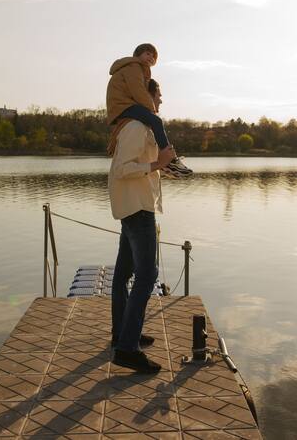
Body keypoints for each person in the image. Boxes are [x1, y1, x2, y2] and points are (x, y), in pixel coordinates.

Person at [108, 78, 175, 372]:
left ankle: (122, 335)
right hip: (138, 210)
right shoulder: (136, 127)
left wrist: (163, 167)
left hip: (133, 206)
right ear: (147, 96)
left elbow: (141, 166)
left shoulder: (140, 127)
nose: (160, 101)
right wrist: (157, 164)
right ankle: (126, 349)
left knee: (124, 273)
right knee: (148, 276)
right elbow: (123, 169)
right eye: (159, 96)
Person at [106, 43, 192, 178]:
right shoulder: (133, 67)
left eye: (153, 57)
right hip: (122, 106)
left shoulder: (138, 69)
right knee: (156, 121)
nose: (150, 57)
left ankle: (167, 161)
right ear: (137, 55)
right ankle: (170, 160)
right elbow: (138, 91)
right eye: (147, 53)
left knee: (153, 122)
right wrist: (151, 109)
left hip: (123, 106)